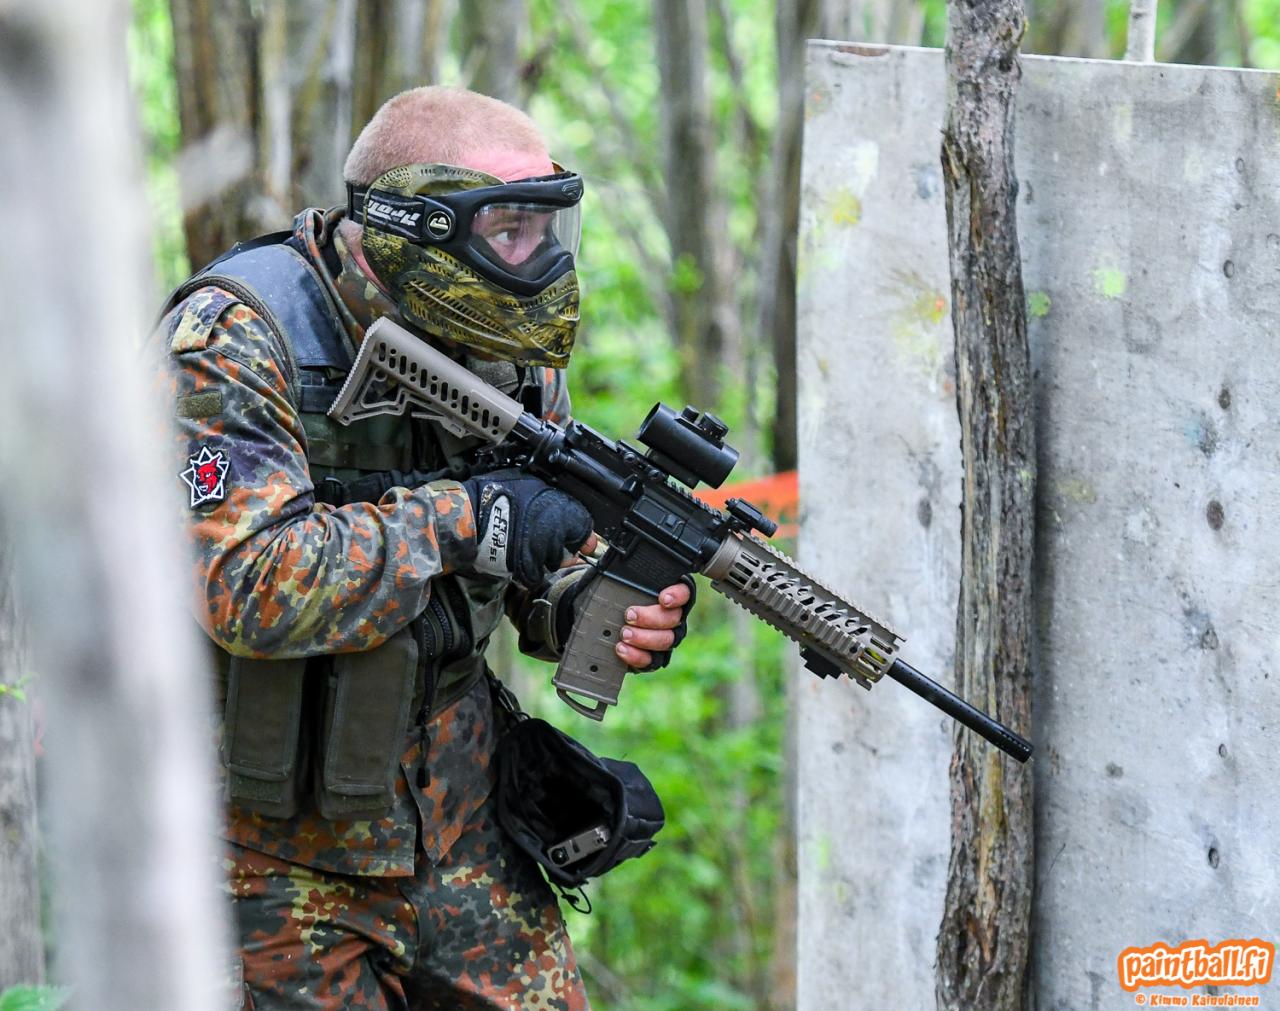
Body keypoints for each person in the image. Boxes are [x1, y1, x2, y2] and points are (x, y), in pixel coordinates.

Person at [158, 85, 693, 1010]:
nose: (539, 258)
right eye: (510, 229)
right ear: (413, 223)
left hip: (460, 816)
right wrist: (466, 516)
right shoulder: (238, 337)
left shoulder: (511, 351)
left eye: (547, 226)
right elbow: (245, 587)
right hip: (262, 847)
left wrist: (588, 606)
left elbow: (533, 569)